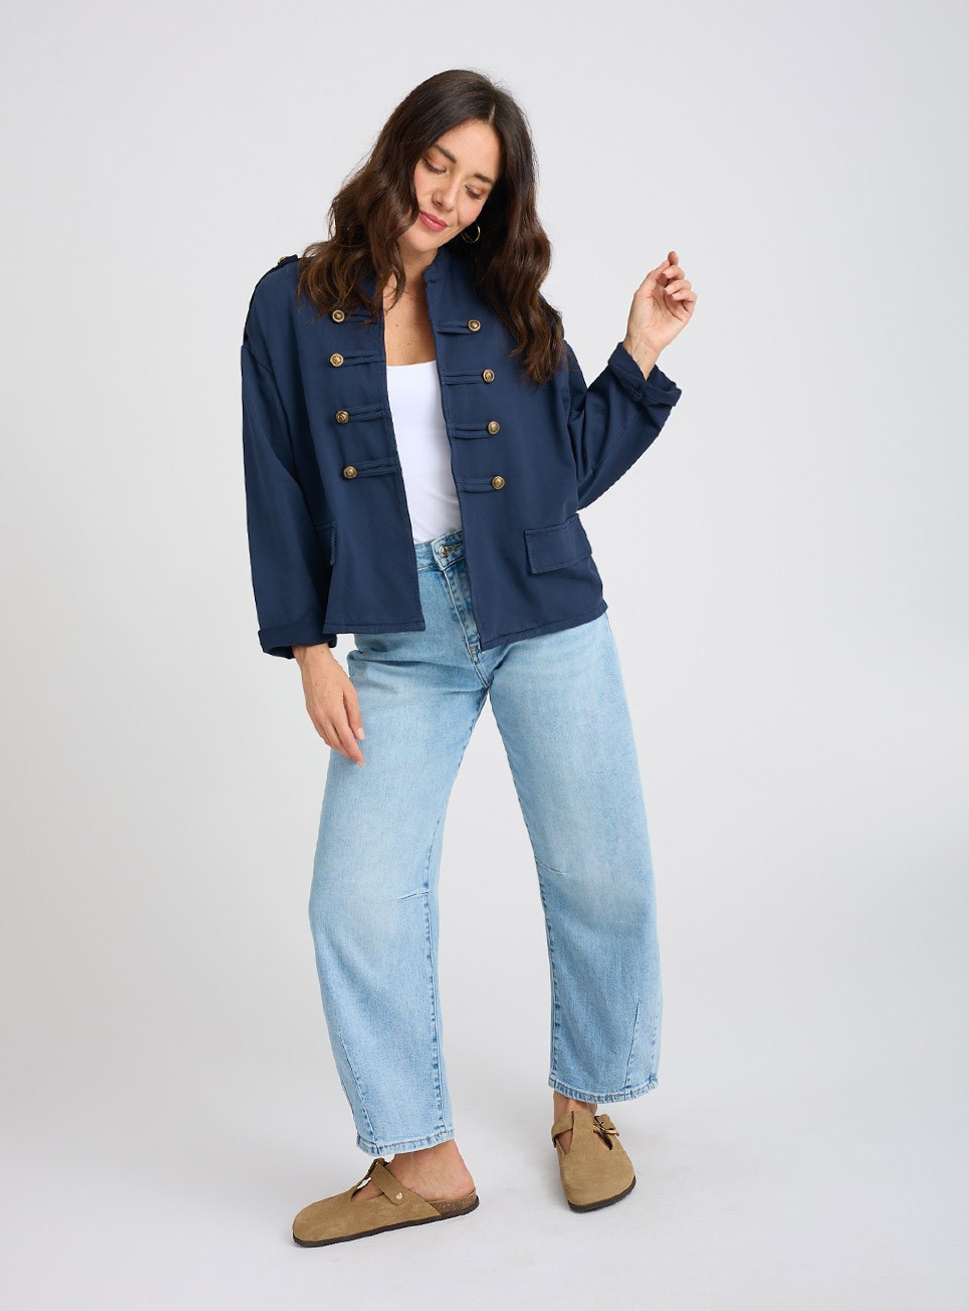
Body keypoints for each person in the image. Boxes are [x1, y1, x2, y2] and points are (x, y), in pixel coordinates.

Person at [239, 68, 696, 1247]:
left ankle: (585, 1103)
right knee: (355, 895)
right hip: (400, 636)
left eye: (477, 185)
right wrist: (307, 646)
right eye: (438, 164)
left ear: (495, 203)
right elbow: (276, 477)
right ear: (401, 150)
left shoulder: (501, 299)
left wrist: (638, 352)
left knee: (600, 870)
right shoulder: (289, 304)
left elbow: (567, 470)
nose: (447, 196)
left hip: (543, 612)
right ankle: (419, 1157)